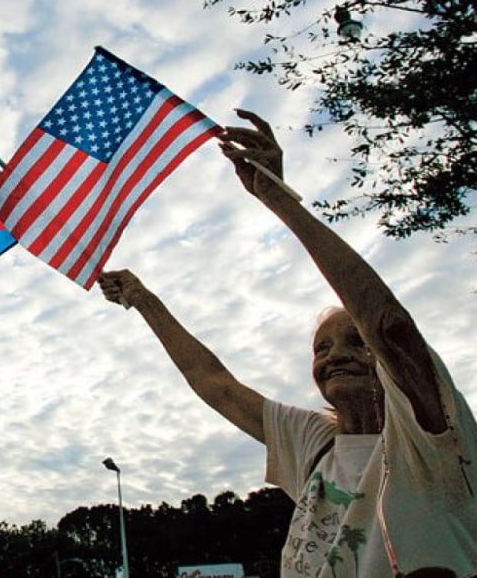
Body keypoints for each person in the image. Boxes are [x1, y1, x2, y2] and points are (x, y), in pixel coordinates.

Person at [98, 110, 477, 577]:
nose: (335, 354)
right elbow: (215, 383)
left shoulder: (431, 437)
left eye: (356, 343)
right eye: (322, 348)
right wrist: (144, 299)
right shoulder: (315, 445)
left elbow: (389, 324)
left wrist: (277, 199)